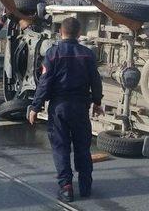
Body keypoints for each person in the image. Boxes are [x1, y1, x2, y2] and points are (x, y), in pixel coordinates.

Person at [28, 17, 104, 202]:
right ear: (79, 34)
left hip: (59, 108)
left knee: (61, 147)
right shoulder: (88, 54)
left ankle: (66, 187)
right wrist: (97, 102)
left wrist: (35, 107)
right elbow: (96, 80)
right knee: (82, 148)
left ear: (61, 33)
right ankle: (85, 186)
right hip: (80, 107)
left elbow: (45, 83)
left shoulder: (53, 54)